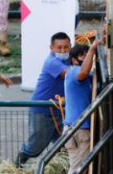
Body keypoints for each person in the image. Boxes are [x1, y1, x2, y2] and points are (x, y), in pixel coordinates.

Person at [14, 32, 71, 167]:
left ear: (70, 46)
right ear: (52, 48)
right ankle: (17, 166)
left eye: (66, 47)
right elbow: (71, 75)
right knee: (36, 143)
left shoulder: (70, 58)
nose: (63, 51)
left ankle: (64, 171)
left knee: (64, 144)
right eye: (59, 48)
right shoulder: (52, 62)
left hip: (60, 110)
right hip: (42, 110)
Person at [57, 40, 101, 174]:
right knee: (77, 169)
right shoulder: (76, 72)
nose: (86, 58)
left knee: (77, 167)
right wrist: (92, 49)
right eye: (82, 55)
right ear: (74, 60)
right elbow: (85, 71)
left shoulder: (79, 77)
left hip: (76, 129)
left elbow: (93, 75)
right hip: (78, 130)